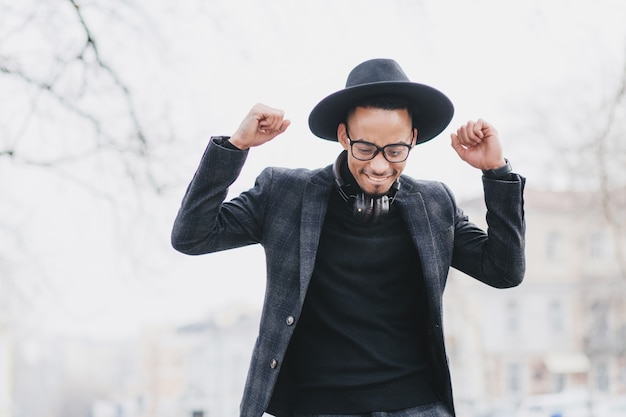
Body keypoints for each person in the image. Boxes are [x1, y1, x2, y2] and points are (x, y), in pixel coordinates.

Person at [171, 58, 526, 417]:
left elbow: (504, 271)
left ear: (413, 139)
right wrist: (235, 147)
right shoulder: (284, 194)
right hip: (313, 407)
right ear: (343, 136)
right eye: (365, 148)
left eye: (395, 150)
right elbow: (192, 235)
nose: (379, 165)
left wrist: (497, 174)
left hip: (416, 406)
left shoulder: (434, 204)